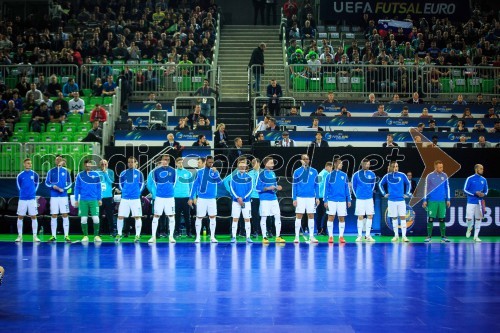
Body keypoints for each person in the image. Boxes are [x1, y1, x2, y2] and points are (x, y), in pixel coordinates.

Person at [188, 156, 223, 243]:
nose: (211, 164)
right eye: (209, 162)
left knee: (212, 217)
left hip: (212, 199)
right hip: (202, 199)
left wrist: (215, 174)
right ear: (206, 162)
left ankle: (212, 237)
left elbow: (220, 183)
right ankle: (198, 237)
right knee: (199, 217)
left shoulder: (215, 171)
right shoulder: (199, 172)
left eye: (212, 162)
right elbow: (194, 185)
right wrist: (191, 197)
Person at [378, 161, 412, 242]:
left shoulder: (402, 175)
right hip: (391, 200)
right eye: (394, 166)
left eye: (396, 166)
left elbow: (408, 183)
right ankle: (396, 235)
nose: (395, 168)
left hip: (401, 200)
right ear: (391, 167)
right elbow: (380, 184)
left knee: (403, 217)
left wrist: (406, 193)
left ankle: (404, 236)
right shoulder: (387, 176)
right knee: (394, 218)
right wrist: (384, 193)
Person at [116, 157, 145, 243]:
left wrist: (137, 193)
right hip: (125, 198)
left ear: (136, 164)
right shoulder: (123, 173)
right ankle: (119, 234)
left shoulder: (139, 173)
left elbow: (142, 184)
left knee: (137, 217)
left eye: (132, 162)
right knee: (120, 216)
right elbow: (120, 184)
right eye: (129, 162)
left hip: (135, 198)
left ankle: (137, 235)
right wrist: (123, 191)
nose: (130, 164)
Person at [256, 156, 284, 244]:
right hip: (264, 199)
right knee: (264, 217)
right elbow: (257, 188)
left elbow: (274, 186)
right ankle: (264, 237)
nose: (273, 164)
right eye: (271, 162)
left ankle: (278, 237)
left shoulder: (273, 173)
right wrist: (267, 188)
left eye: (273, 162)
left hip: (274, 198)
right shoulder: (261, 174)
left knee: (277, 216)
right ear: (265, 164)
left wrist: (277, 188)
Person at [292, 154, 319, 243]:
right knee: (299, 216)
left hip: (311, 197)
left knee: (311, 215)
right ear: (301, 160)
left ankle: (311, 236)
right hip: (300, 197)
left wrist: (317, 197)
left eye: (307, 159)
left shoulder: (314, 171)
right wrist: (294, 198)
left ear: (309, 160)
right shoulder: (297, 171)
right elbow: (294, 185)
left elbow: (317, 185)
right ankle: (296, 236)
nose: (306, 160)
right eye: (304, 159)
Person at [149, 155, 176, 244]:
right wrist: (159, 192)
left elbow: (174, 183)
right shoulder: (155, 171)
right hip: (159, 197)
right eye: (164, 159)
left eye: (168, 160)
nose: (166, 161)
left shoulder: (173, 170)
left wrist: (169, 191)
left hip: (170, 197)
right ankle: (153, 237)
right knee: (156, 216)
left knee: (171, 216)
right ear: (161, 160)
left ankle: (171, 236)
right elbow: (154, 183)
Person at [422, 160, 451, 243]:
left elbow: (447, 188)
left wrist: (448, 199)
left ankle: (443, 237)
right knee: (431, 219)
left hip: (442, 201)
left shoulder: (445, 175)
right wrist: (425, 200)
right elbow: (426, 188)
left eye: (442, 167)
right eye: (439, 167)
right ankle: (429, 237)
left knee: (442, 219)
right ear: (435, 167)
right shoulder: (429, 176)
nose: (441, 169)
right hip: (432, 201)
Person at [45, 157, 72, 242]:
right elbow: (46, 182)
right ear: (55, 161)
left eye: (60, 160)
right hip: (54, 196)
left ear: (63, 161)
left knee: (65, 214)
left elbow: (70, 183)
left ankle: (66, 236)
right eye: (57, 159)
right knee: (54, 215)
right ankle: (53, 236)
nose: (58, 161)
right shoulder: (51, 171)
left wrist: (63, 189)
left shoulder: (66, 171)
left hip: (63, 196)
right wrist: (53, 186)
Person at [324, 158, 351, 243]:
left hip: (342, 201)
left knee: (341, 218)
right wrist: (325, 200)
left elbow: (347, 188)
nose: (342, 165)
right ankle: (331, 237)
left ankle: (341, 237)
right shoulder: (329, 175)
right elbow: (326, 189)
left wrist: (349, 199)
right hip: (331, 200)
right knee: (330, 217)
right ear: (335, 164)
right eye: (340, 164)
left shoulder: (344, 175)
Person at [15, 158, 40, 242]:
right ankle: (20, 236)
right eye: (28, 163)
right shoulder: (20, 175)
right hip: (22, 199)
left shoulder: (35, 174)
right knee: (20, 217)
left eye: (30, 163)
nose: (30, 165)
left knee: (33, 216)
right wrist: (24, 193)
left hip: (32, 199)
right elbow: (19, 186)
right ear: (24, 164)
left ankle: (35, 236)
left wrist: (32, 193)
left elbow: (37, 185)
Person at [352, 159, 376, 242]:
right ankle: (359, 236)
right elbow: (353, 187)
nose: (367, 166)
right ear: (362, 164)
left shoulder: (372, 174)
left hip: (369, 198)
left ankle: (368, 235)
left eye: (369, 164)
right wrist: (357, 196)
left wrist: (369, 193)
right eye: (366, 164)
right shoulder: (356, 174)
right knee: (360, 216)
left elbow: (373, 186)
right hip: (360, 199)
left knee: (370, 215)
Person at [229, 158, 254, 243]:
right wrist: (237, 198)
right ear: (238, 167)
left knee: (247, 219)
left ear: (246, 167)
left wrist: (243, 198)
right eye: (241, 166)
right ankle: (234, 237)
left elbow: (250, 189)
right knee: (235, 219)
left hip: (246, 202)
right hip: (236, 202)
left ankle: (248, 237)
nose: (242, 167)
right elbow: (232, 189)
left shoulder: (249, 178)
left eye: (244, 166)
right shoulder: (234, 177)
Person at [463, 164, 488, 242]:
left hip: (480, 202)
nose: (482, 170)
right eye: (481, 168)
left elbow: (486, 190)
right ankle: (469, 228)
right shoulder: (470, 178)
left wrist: (484, 194)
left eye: (482, 169)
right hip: (471, 202)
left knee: (478, 219)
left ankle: (476, 236)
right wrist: (474, 193)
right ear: (476, 169)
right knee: (469, 218)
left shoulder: (484, 179)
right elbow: (465, 190)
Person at [174, 157, 194, 238]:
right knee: (176, 216)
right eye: (179, 163)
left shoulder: (188, 173)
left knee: (187, 216)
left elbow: (191, 186)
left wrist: (191, 198)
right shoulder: (173, 173)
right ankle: (177, 232)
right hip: (176, 197)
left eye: (182, 162)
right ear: (176, 164)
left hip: (186, 198)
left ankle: (189, 232)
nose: (180, 164)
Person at [97, 159, 116, 237]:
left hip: (108, 196)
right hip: (99, 197)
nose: (103, 165)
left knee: (110, 215)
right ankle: (98, 232)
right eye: (102, 164)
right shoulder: (96, 172)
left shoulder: (110, 172)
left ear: (107, 165)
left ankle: (112, 231)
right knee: (99, 215)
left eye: (105, 164)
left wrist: (106, 173)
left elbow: (111, 181)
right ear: (99, 165)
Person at [316, 162, 332, 236]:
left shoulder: (320, 173)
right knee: (327, 213)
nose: (331, 170)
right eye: (331, 168)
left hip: (318, 197)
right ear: (327, 167)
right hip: (323, 197)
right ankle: (323, 229)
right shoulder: (326, 174)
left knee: (320, 214)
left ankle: (319, 230)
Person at [248, 158, 261, 237]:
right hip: (253, 196)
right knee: (254, 214)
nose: (253, 165)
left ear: (259, 163)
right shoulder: (249, 173)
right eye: (252, 163)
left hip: (263, 196)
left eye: (255, 163)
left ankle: (267, 231)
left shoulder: (263, 172)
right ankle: (255, 231)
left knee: (265, 214)